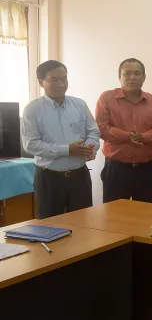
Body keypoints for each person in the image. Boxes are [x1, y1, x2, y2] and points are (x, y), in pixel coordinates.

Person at [21, 60, 100, 219]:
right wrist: (67, 150)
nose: (61, 84)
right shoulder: (33, 109)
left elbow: (93, 131)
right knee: (50, 226)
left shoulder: (79, 104)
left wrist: (90, 147)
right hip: (49, 178)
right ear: (41, 82)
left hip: (79, 177)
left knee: (83, 224)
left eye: (64, 79)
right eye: (54, 80)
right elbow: (31, 144)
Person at [96, 58, 152, 204]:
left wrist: (143, 137)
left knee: (147, 217)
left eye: (137, 73)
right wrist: (127, 136)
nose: (132, 77)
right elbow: (101, 128)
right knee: (114, 216)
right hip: (116, 169)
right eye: (127, 73)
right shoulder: (107, 98)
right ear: (119, 77)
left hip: (146, 169)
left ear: (144, 77)